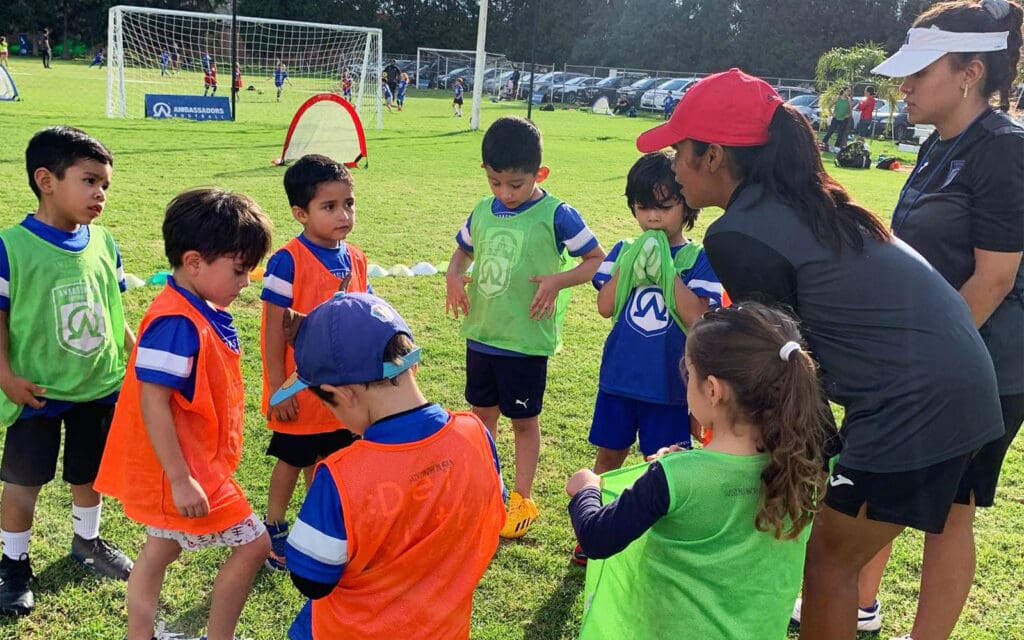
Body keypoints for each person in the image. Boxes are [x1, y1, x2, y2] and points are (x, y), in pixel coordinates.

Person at [635, 68, 1003, 640]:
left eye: (680, 150)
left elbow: (770, 368)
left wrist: (724, 464)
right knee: (834, 557)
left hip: (917, 402)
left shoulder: (738, 232)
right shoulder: (798, 200)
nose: (673, 166)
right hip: (956, 383)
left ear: (714, 156)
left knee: (829, 563)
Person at [855, 3, 1024, 639]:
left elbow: (996, 276)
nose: (903, 86)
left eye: (918, 72)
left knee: (951, 511)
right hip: (926, 356)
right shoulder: (937, 146)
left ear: (969, 73)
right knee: (880, 484)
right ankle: (860, 606)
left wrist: (922, 358)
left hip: (983, 366)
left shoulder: (1005, 151)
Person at [567, 303, 828, 639]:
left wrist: (587, 488)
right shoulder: (800, 468)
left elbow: (598, 537)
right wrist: (680, 467)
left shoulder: (675, 478)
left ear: (713, 389)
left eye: (688, 372)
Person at [94, 188, 273, 640]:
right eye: (238, 270)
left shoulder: (197, 307)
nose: (246, 283)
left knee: (160, 551)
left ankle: (140, 635)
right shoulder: (177, 323)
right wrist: (179, 477)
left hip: (193, 464)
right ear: (193, 262)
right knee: (254, 546)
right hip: (183, 470)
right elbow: (152, 401)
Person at [275, 292, 506, 639]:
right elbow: (493, 508)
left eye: (329, 406)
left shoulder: (340, 477)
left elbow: (311, 578)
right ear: (410, 362)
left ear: (341, 395)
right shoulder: (477, 435)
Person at [445, 115, 606, 539]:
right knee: (483, 418)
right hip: (482, 335)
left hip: (525, 342)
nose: (505, 193)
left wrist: (557, 280)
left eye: (515, 184)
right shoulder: (481, 210)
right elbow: (462, 252)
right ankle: (487, 488)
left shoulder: (558, 215)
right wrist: (452, 277)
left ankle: (522, 496)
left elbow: (595, 259)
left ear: (540, 174)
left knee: (523, 421)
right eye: (496, 182)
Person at [0, 126, 136, 616]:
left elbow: (112, 308)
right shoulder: (10, 247)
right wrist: (6, 377)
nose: (100, 194)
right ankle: (13, 563)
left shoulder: (104, 242)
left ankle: (88, 542)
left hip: (98, 386)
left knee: (90, 473)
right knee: (22, 484)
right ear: (46, 180)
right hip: (34, 391)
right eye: (90, 181)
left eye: (105, 185)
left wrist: (133, 353)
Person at [573, 150, 721, 565]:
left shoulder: (697, 259)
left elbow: (699, 318)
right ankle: (594, 531)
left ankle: (655, 543)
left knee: (663, 468)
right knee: (609, 457)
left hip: (671, 388)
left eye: (664, 206)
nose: (653, 217)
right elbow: (605, 306)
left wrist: (668, 276)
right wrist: (631, 266)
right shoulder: (624, 250)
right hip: (620, 380)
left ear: (686, 204)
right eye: (643, 207)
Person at [259, 154, 370, 571]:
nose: (344, 214)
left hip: (343, 390)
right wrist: (277, 387)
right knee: (293, 458)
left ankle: (317, 525)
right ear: (300, 213)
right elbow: (273, 330)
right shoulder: (288, 260)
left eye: (350, 203)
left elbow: (364, 313)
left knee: (331, 460)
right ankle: (273, 529)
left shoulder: (356, 258)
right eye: (330, 206)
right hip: (299, 388)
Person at [822, 85, 853, 151]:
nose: (849, 92)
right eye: (848, 91)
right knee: (830, 131)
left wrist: (848, 115)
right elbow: (829, 107)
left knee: (840, 134)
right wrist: (832, 114)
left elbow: (850, 110)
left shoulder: (849, 100)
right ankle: (824, 143)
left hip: (844, 119)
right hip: (836, 118)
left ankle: (836, 147)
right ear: (844, 91)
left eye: (849, 91)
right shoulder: (837, 98)